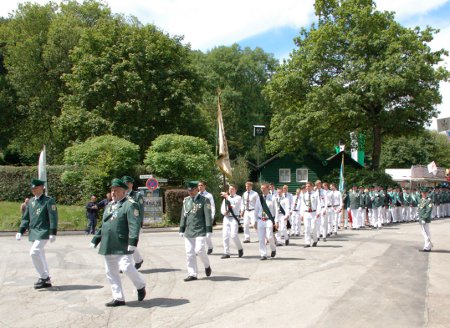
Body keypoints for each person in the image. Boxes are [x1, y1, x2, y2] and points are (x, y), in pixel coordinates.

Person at [90, 178, 146, 307]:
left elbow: (134, 224)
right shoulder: (109, 205)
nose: (113, 193)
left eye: (116, 190)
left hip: (122, 242)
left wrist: (133, 241)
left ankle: (140, 284)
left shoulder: (129, 204)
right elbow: (104, 224)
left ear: (124, 192)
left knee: (126, 267)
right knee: (110, 272)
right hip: (108, 243)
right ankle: (118, 297)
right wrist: (96, 239)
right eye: (112, 190)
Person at [16, 179, 58, 289]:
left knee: (34, 252)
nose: (33, 190)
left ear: (41, 188)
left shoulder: (48, 201)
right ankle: (46, 279)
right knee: (41, 254)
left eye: (35, 188)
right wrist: (20, 230)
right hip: (34, 232)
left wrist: (53, 232)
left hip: (44, 231)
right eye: (32, 188)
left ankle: (43, 277)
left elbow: (53, 217)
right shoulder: (31, 201)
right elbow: (26, 218)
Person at [179, 181, 212, 281]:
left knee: (199, 250)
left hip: (200, 230)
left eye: (192, 190)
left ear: (196, 189)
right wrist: (181, 229)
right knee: (189, 253)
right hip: (189, 231)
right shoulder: (186, 201)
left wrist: (209, 230)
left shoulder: (204, 200)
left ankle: (207, 265)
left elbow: (207, 216)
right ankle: (192, 274)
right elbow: (183, 215)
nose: (190, 192)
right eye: (189, 191)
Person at [122, 176, 145, 270]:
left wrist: (140, 224)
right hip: (123, 223)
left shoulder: (137, 195)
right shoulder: (121, 194)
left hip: (134, 223)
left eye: (128, 183)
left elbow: (140, 210)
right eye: (124, 183)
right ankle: (138, 260)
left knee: (129, 243)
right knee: (127, 243)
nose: (126, 185)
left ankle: (126, 265)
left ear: (131, 184)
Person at [220, 184, 244, 259]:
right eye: (230, 189)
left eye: (232, 189)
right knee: (225, 236)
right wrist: (223, 212)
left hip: (234, 218)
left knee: (233, 235)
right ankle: (226, 253)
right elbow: (223, 207)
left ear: (235, 190)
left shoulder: (238, 197)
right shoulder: (226, 198)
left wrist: (227, 196)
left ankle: (240, 248)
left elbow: (234, 203)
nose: (230, 190)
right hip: (226, 218)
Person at [256, 183, 276, 260]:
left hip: (269, 220)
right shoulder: (259, 198)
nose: (263, 189)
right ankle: (263, 254)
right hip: (261, 219)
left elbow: (276, 210)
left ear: (268, 189)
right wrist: (255, 221)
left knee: (269, 236)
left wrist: (276, 221)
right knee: (261, 238)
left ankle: (273, 248)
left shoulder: (273, 198)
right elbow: (256, 209)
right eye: (262, 188)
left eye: (264, 188)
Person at [198, 180, 216, 254]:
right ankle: (199, 249)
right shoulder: (197, 195)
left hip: (207, 216)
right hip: (198, 217)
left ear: (205, 186)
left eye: (201, 185)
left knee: (207, 234)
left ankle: (210, 246)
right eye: (199, 185)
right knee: (198, 234)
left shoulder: (209, 195)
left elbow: (212, 206)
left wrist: (212, 216)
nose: (200, 187)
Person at [302, 181, 321, 247]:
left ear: (312, 187)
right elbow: (302, 205)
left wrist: (318, 212)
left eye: (309, 186)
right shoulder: (304, 195)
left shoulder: (315, 194)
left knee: (313, 228)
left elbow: (318, 204)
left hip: (313, 213)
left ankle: (315, 240)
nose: (307, 187)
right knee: (307, 228)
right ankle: (307, 242)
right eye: (306, 186)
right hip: (306, 213)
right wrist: (302, 214)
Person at [418, 187, 433, 252]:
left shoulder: (428, 200)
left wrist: (424, 218)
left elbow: (429, 210)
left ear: (427, 193)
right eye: (422, 192)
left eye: (424, 193)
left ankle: (427, 247)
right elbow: (420, 209)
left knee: (426, 233)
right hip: (421, 218)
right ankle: (427, 246)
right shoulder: (421, 200)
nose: (423, 194)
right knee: (424, 233)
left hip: (425, 219)